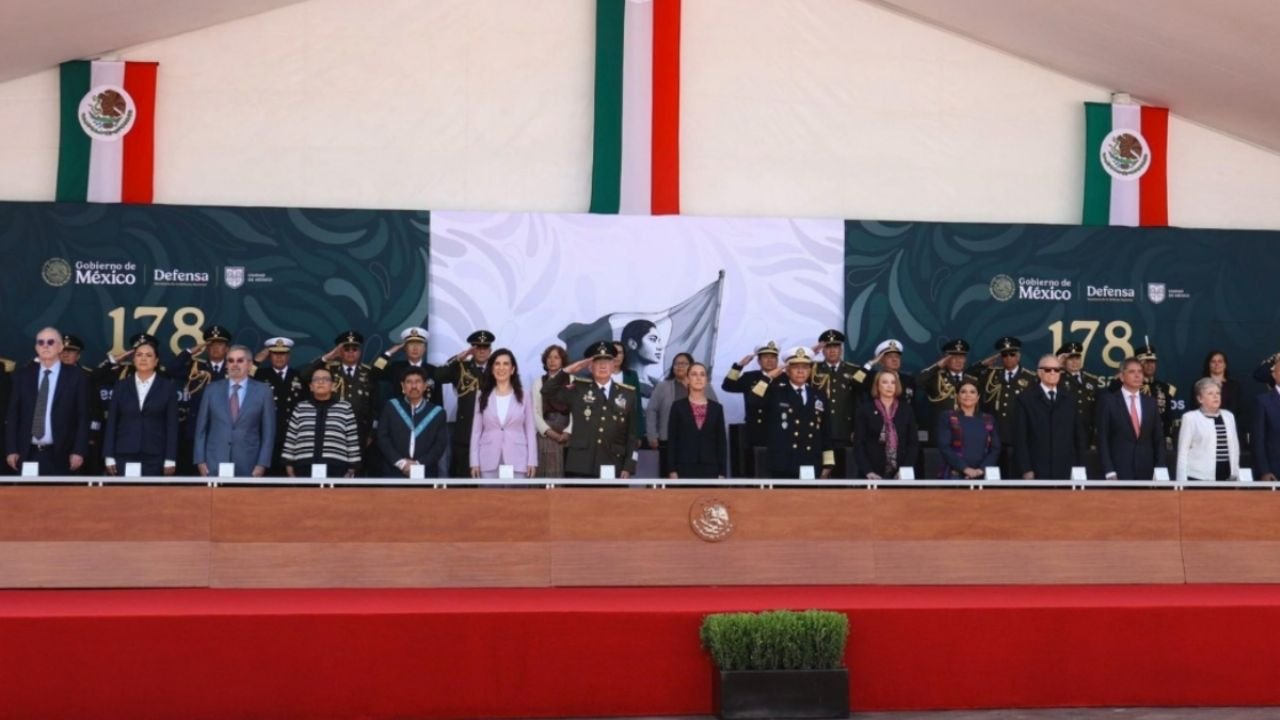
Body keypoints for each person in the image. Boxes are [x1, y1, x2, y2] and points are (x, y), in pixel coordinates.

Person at [5, 327, 91, 476]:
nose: (45, 345)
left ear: (60, 347)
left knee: (61, 499)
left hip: (62, 453)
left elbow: (83, 417)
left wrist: (78, 451)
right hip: (27, 452)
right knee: (26, 498)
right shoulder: (22, 376)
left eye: (51, 342)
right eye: (41, 342)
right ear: (36, 347)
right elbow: (13, 415)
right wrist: (11, 449)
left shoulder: (77, 377)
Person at [553, 341, 640, 478]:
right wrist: (566, 371)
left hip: (612, 464)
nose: (603, 365)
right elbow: (548, 393)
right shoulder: (578, 389)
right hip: (580, 465)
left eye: (607, 361)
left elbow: (632, 435)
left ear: (614, 365)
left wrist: (629, 466)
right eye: (597, 361)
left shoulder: (627, 394)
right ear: (590, 367)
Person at [192, 344, 276, 478]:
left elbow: (268, 432)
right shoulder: (211, 390)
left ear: (249, 364)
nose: (235, 364)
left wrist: (262, 463)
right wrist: (200, 461)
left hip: (249, 462)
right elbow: (201, 429)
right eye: (230, 361)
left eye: (240, 360)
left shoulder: (263, 391)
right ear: (226, 365)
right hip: (214, 462)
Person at [103, 334, 178, 477]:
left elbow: (172, 425)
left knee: (152, 498)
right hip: (124, 453)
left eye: (149, 355)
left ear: (156, 361)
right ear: (133, 360)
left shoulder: (167, 387)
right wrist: (108, 455)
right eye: (139, 355)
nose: (143, 358)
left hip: (155, 455)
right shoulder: (121, 386)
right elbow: (112, 422)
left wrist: (170, 458)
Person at [168, 325, 233, 475]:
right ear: (206, 348)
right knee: (196, 474)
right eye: (211, 344)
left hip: (225, 429)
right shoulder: (196, 367)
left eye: (220, 344)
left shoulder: (234, 367)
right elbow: (171, 369)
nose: (215, 348)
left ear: (227, 348)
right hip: (198, 428)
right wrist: (190, 352)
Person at [763, 347, 834, 479]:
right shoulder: (776, 392)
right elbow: (753, 400)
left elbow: (825, 430)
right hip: (784, 462)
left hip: (811, 460)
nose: (801, 371)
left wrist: (828, 464)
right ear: (788, 371)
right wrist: (769, 377)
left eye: (805, 367)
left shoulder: (818, 395)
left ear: (810, 370)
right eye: (796, 367)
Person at [646, 352, 719, 477]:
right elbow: (651, 410)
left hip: (699, 443)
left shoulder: (704, 387)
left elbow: (715, 412)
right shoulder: (663, 386)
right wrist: (652, 435)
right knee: (670, 477)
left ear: (691, 367)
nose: (679, 366)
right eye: (676, 364)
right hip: (669, 440)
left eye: (684, 363)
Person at [280, 366, 361, 480]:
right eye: (316, 379)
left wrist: (352, 468)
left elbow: (352, 439)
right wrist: (289, 467)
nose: (321, 382)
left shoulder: (345, 407)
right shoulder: (301, 407)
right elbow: (291, 438)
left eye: (325, 379)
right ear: (311, 386)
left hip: (336, 467)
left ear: (333, 386)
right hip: (303, 466)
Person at [313, 330, 378, 468]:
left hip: (361, 430)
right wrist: (328, 357)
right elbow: (305, 375)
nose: (350, 352)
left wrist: (371, 433)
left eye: (354, 349)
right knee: (334, 468)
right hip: (332, 429)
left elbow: (374, 405)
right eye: (346, 349)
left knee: (358, 471)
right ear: (339, 351)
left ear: (359, 352)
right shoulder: (329, 370)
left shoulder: (368, 372)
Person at [469, 348, 537, 479]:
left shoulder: (525, 396)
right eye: (497, 363)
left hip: (518, 459)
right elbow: (476, 432)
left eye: (506, 364)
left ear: (512, 369)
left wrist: (532, 461)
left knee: (518, 499)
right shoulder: (482, 396)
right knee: (488, 499)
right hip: (488, 459)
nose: (501, 368)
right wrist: (474, 462)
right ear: (492, 368)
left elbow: (530, 430)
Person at [1013, 354, 1085, 480]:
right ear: (1039, 372)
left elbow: (1078, 436)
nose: (1053, 373)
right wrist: (1026, 468)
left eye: (1057, 369)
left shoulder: (1069, 399)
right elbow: (1020, 438)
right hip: (1036, 469)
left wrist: (1080, 467)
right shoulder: (1025, 399)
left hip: (1065, 469)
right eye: (1048, 369)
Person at [970, 337, 1035, 473]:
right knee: (993, 475)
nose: (1008, 358)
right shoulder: (991, 374)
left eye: (1012, 354)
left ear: (1018, 356)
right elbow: (968, 376)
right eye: (1004, 355)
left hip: (1017, 434)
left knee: (1015, 474)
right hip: (994, 434)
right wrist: (983, 364)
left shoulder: (1030, 378)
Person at [435, 329, 494, 477]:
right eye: (477, 347)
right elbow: (438, 376)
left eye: (484, 348)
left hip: (490, 429)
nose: (481, 351)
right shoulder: (461, 367)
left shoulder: (497, 369)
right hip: (466, 430)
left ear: (490, 350)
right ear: (472, 349)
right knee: (464, 474)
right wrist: (458, 358)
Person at [1097, 357, 1165, 480]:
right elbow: (1102, 438)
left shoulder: (1150, 403)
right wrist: (1109, 470)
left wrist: (1160, 468)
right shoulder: (1108, 401)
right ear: (1122, 377)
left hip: (1146, 470)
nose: (1137, 375)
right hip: (1118, 470)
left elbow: (1158, 438)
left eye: (1140, 372)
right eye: (1132, 372)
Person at [376, 367, 447, 478]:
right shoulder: (391, 406)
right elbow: (382, 437)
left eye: (418, 382)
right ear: (403, 386)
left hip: (426, 472)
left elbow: (439, 445)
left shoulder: (438, 412)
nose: (413, 386)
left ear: (425, 386)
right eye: (409, 382)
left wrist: (417, 464)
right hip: (393, 472)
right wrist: (401, 463)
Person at [853, 370, 919, 480]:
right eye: (885, 382)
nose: (889, 386)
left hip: (900, 474)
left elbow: (913, 443)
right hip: (872, 473)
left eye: (893, 383)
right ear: (877, 386)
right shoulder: (865, 409)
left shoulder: (906, 410)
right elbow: (859, 444)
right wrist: (868, 471)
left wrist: (904, 470)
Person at [254, 337, 306, 475]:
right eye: (275, 354)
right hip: (266, 434)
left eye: (282, 354)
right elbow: (241, 379)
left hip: (293, 436)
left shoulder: (298, 375)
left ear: (289, 356)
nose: (279, 357)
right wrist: (256, 361)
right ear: (269, 356)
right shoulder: (260, 374)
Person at [667, 362, 727, 479]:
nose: (698, 378)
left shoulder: (717, 408)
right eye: (694, 374)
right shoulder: (678, 406)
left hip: (711, 467)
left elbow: (721, 442)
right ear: (688, 379)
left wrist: (722, 471)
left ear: (706, 380)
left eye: (702, 375)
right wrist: (672, 469)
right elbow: (672, 440)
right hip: (684, 467)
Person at [811, 329, 858, 478]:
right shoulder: (812, 368)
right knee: (820, 474)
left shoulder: (853, 369)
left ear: (841, 349)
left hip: (843, 430)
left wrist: (856, 428)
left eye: (835, 347)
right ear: (822, 350)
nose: (832, 350)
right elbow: (790, 369)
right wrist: (811, 353)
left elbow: (859, 402)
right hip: (819, 430)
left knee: (843, 473)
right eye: (828, 347)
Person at [1176, 377, 1239, 482]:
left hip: (1227, 477)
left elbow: (1235, 448)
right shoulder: (1190, 418)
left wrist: (1236, 474)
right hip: (1199, 477)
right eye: (1210, 393)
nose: (1216, 397)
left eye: (1218, 393)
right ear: (1200, 398)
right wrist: (1181, 482)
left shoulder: (1229, 416)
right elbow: (1183, 452)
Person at [935, 379, 1000, 479]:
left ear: (978, 397)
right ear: (957, 396)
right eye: (963, 391)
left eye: (972, 392)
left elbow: (995, 449)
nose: (968, 395)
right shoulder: (948, 416)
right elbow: (944, 447)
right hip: (954, 474)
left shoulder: (988, 419)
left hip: (982, 474)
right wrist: (965, 469)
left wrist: (980, 470)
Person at [917, 339, 979, 432]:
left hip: (966, 430)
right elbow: (918, 381)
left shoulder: (972, 381)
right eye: (954, 357)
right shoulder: (936, 378)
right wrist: (938, 366)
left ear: (965, 359)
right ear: (946, 359)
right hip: (942, 430)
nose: (958, 361)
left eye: (961, 357)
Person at [371, 326, 442, 406]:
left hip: (427, 416)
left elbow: (438, 400)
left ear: (424, 349)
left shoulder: (433, 370)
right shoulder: (396, 368)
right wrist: (389, 353)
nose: (415, 348)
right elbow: (375, 372)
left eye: (419, 344)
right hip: (400, 415)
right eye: (411, 344)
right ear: (404, 348)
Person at [533, 344, 573, 478]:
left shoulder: (572, 380)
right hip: (546, 435)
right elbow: (535, 412)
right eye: (549, 357)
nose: (552, 361)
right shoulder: (539, 382)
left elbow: (576, 411)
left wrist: (567, 432)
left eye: (556, 357)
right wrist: (549, 432)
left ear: (563, 360)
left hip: (568, 437)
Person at [1057, 341, 1104, 447]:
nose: (1074, 362)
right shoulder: (1057, 379)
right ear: (1064, 360)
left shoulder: (1091, 380)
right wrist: (1058, 366)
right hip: (1064, 433)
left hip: (1086, 434)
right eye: (1070, 358)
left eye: (1077, 358)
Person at [852, 339, 917, 407]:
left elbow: (912, 405)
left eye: (897, 357)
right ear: (881, 361)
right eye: (890, 356)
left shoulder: (908, 380)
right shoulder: (873, 377)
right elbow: (855, 382)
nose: (894, 359)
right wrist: (870, 363)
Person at [620, 319, 664, 398]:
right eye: (653, 339)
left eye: (659, 341)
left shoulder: (660, 385)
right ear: (633, 343)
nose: (660, 347)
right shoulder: (619, 380)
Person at [1252, 358, 1280, 482]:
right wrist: (1264, 471)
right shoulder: (1263, 401)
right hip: (1275, 471)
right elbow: (1258, 439)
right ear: (1274, 375)